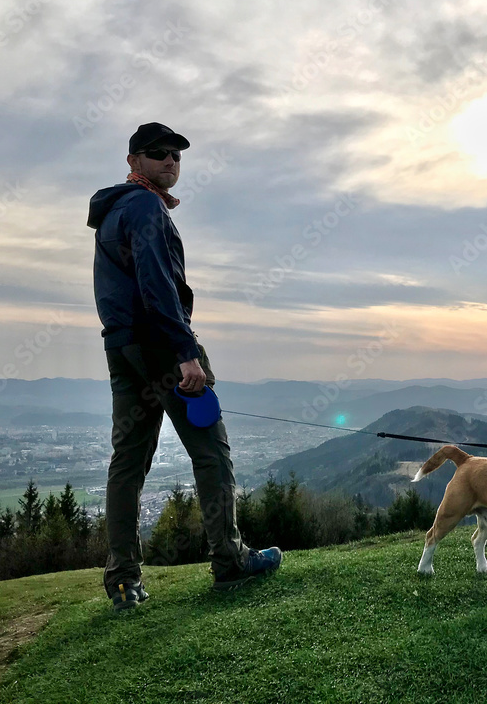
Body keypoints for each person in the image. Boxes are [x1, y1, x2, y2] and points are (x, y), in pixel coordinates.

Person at [87, 122, 281, 611]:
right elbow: (156, 281)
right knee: (211, 451)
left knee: (127, 465)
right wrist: (185, 352)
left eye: (176, 155)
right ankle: (230, 561)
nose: (170, 161)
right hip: (161, 346)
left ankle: (123, 581)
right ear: (133, 162)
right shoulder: (145, 205)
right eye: (158, 154)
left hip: (121, 349)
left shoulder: (113, 211)